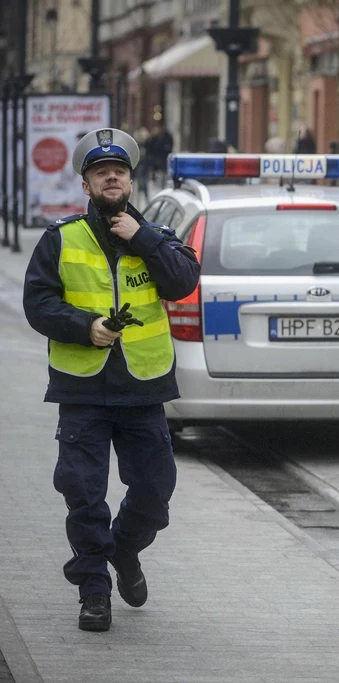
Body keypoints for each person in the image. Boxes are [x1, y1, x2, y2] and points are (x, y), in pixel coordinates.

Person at [23, 128, 201, 632]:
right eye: (101, 172)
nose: (111, 178)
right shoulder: (61, 238)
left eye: (119, 171)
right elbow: (38, 304)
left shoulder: (157, 238)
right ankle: (94, 590)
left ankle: (123, 551)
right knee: (83, 492)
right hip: (83, 390)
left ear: (131, 181)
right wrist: (87, 328)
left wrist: (141, 237)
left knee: (153, 490)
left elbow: (184, 283)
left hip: (143, 391)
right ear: (86, 185)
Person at [145, 124, 173, 192]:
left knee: (163, 174)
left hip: (162, 158)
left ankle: (162, 186)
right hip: (157, 159)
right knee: (159, 174)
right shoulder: (154, 138)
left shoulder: (165, 136)